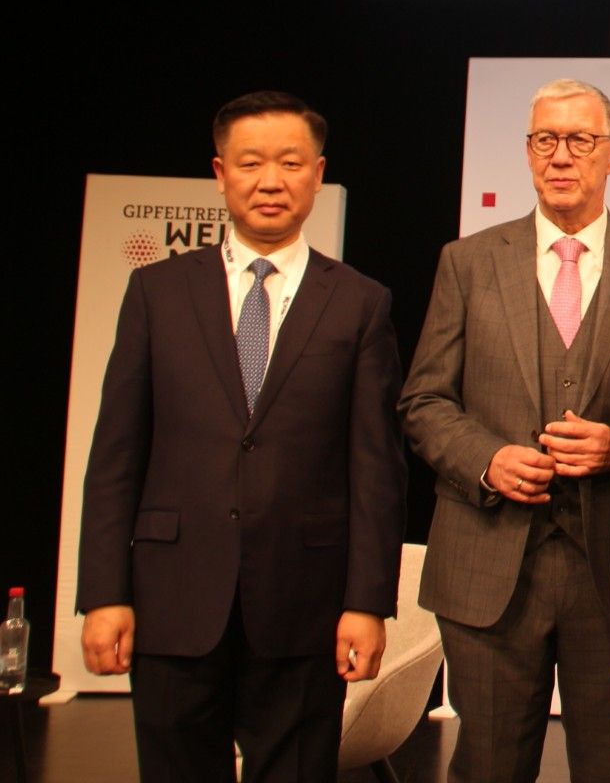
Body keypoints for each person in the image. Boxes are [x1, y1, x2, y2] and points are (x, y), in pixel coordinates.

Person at [77, 91, 407, 782]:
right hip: (172, 597)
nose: (270, 181)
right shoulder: (157, 292)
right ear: (220, 173)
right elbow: (115, 457)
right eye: (251, 163)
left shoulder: (359, 302)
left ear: (318, 174)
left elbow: (376, 468)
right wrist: (105, 593)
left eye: (290, 163)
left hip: (305, 604)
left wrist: (367, 602)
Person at [399, 78, 610, 783]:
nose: (561, 156)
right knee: (488, 768)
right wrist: (486, 459)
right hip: (487, 566)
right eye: (545, 140)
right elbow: (424, 400)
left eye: (580, 140)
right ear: (528, 151)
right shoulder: (467, 263)